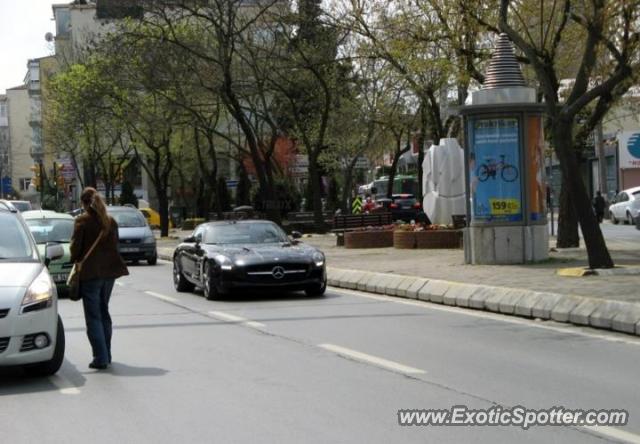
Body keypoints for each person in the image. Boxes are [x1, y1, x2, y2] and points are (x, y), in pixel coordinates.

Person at [70, 187, 128, 370]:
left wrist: (75, 259)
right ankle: (107, 353)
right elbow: (115, 246)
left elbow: (75, 249)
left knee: (93, 316)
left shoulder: (82, 221)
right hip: (109, 274)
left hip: (90, 274)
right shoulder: (110, 221)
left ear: (84, 203)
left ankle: (100, 357)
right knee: (104, 312)